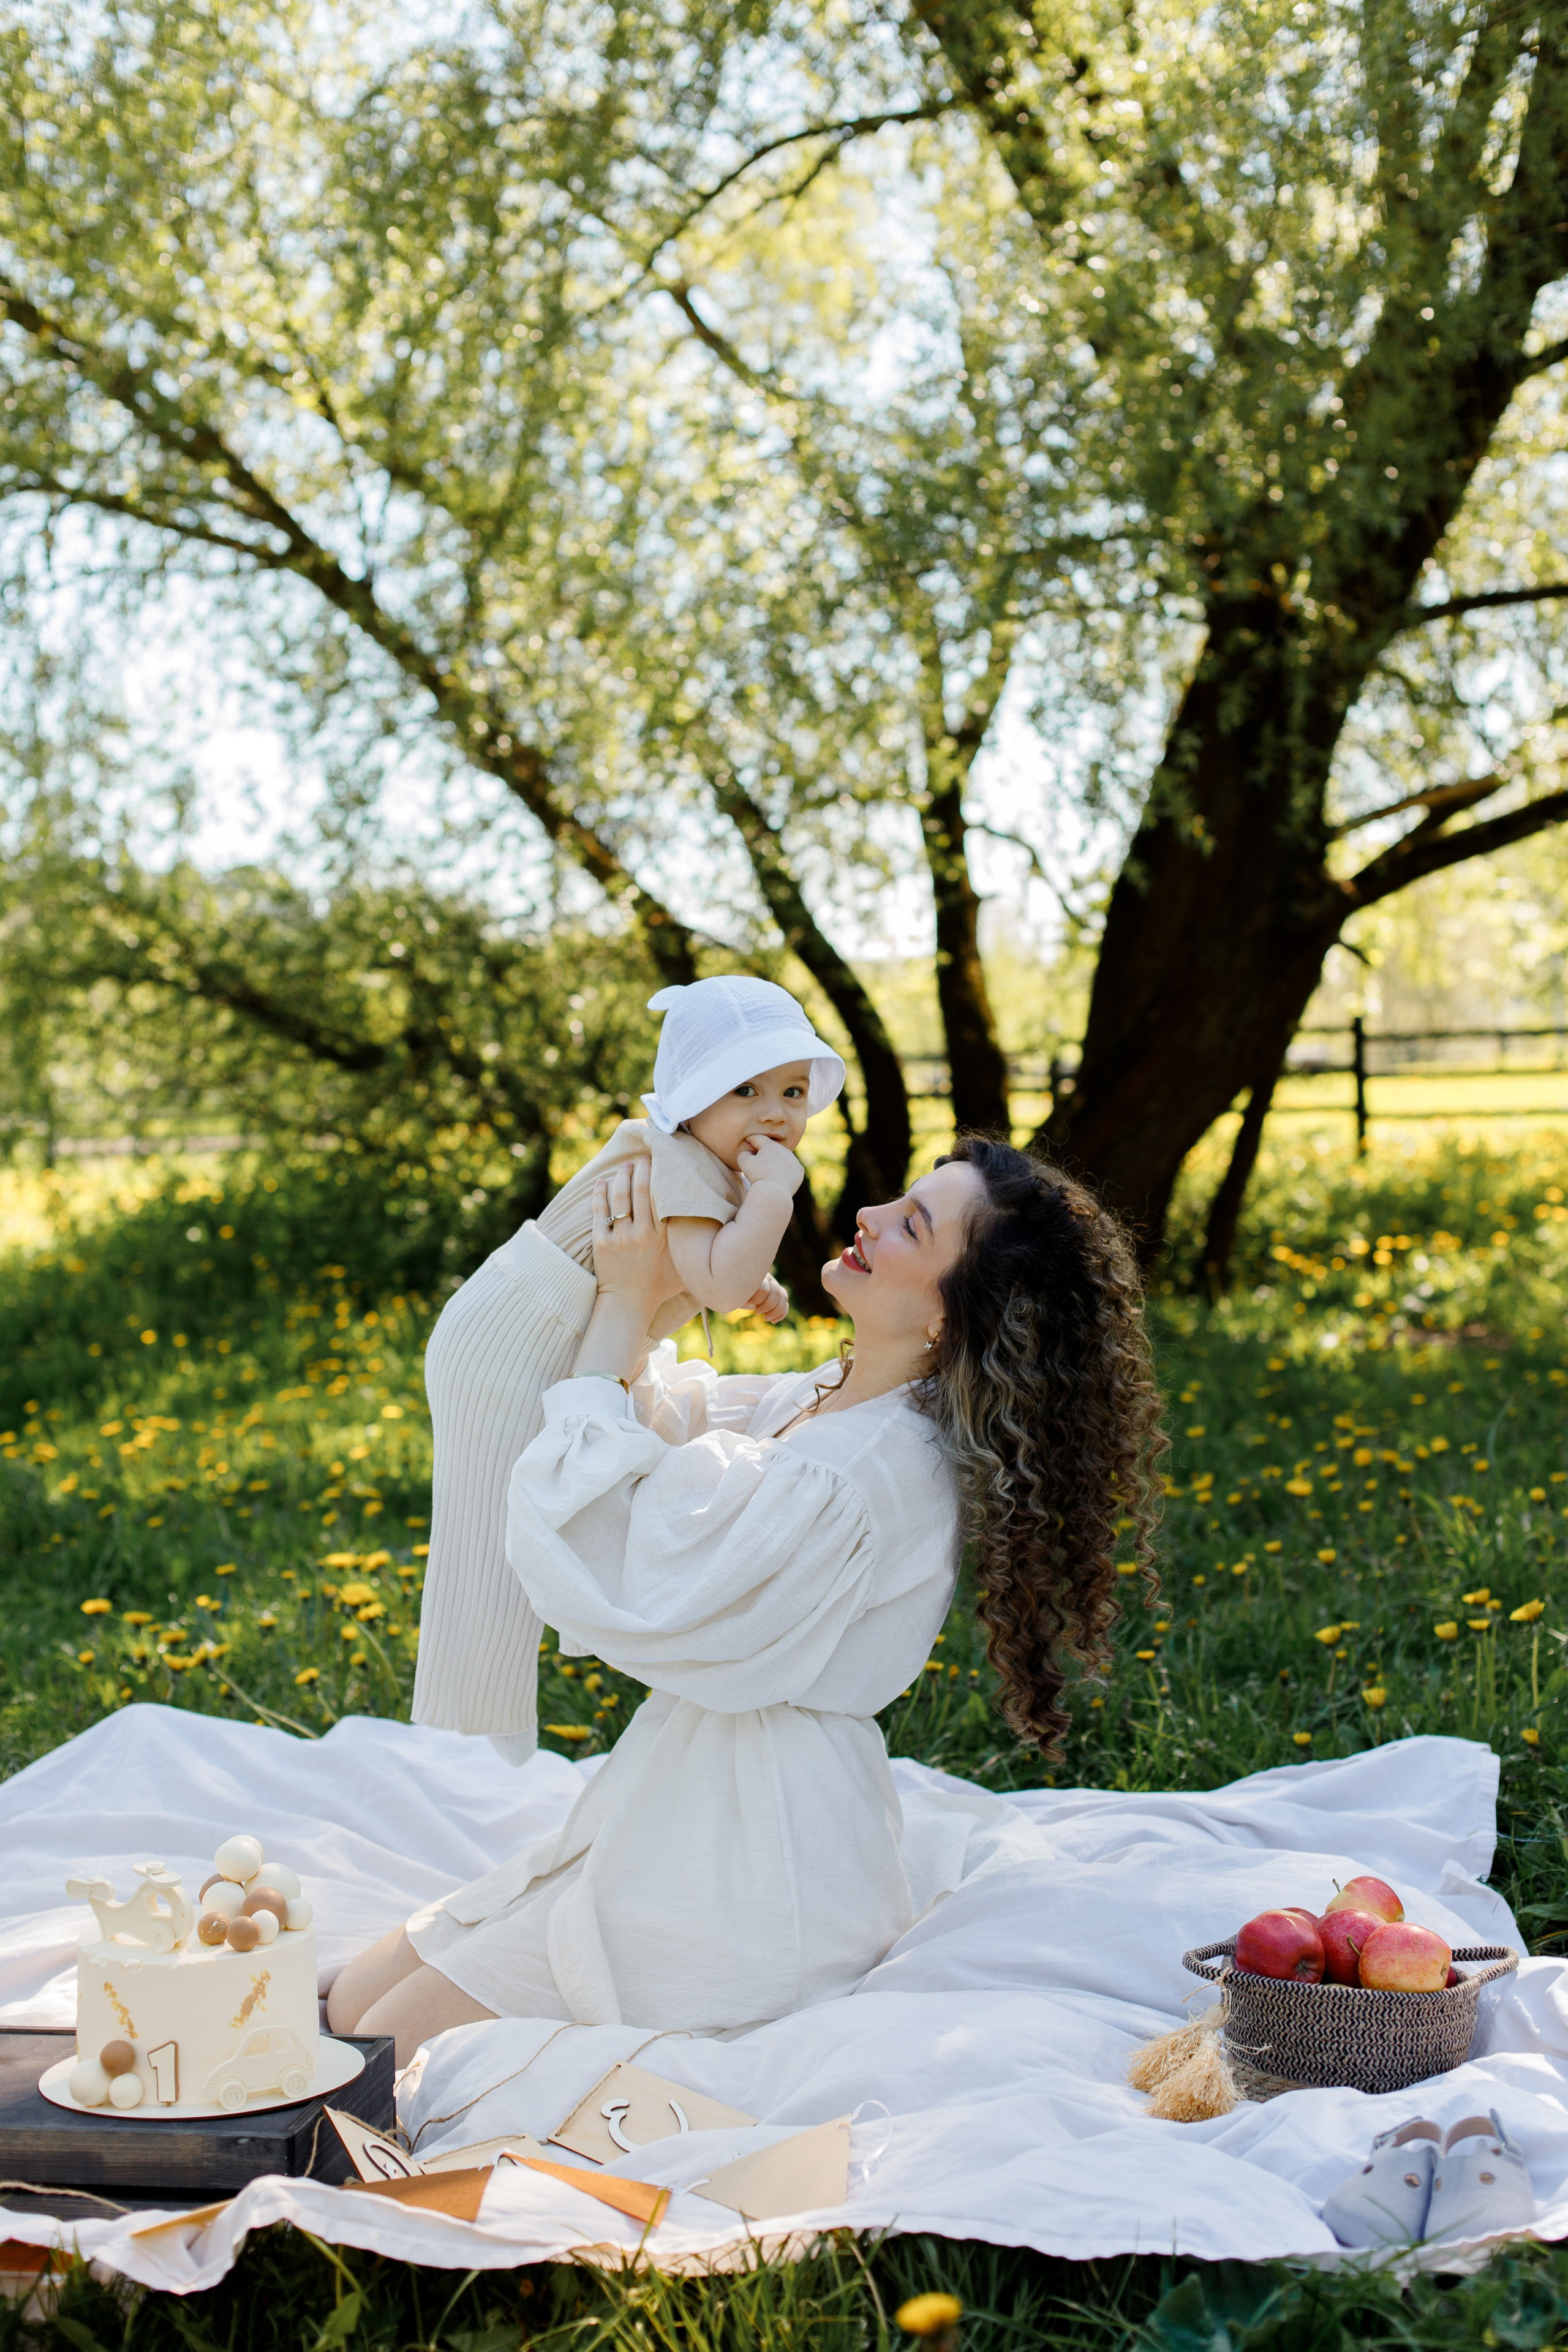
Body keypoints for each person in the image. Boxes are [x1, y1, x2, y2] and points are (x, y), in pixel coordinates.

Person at [330, 1137, 1166, 2064]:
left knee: (371, 2047)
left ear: (947, 1312)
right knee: (346, 2002)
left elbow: (631, 1564)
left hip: (748, 1865)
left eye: (912, 1227)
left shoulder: (865, 1471)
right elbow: (675, 1438)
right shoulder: (840, 1396)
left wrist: (621, 1304)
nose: (870, 1216)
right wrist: (654, 1294)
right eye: (898, 1198)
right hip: (680, 1797)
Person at [410, 975, 845, 1761]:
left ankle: (492, 1738)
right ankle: (466, 1751)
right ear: (690, 1095)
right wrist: (774, 1204)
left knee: (579, 1508)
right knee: (492, 1543)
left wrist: (754, 1278)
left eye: (790, 1089)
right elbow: (709, 1274)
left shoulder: (705, 1166)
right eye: (743, 1089)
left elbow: (705, 1263)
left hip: (557, 1337)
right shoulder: (674, 1153)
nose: (775, 1112)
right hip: (513, 1341)